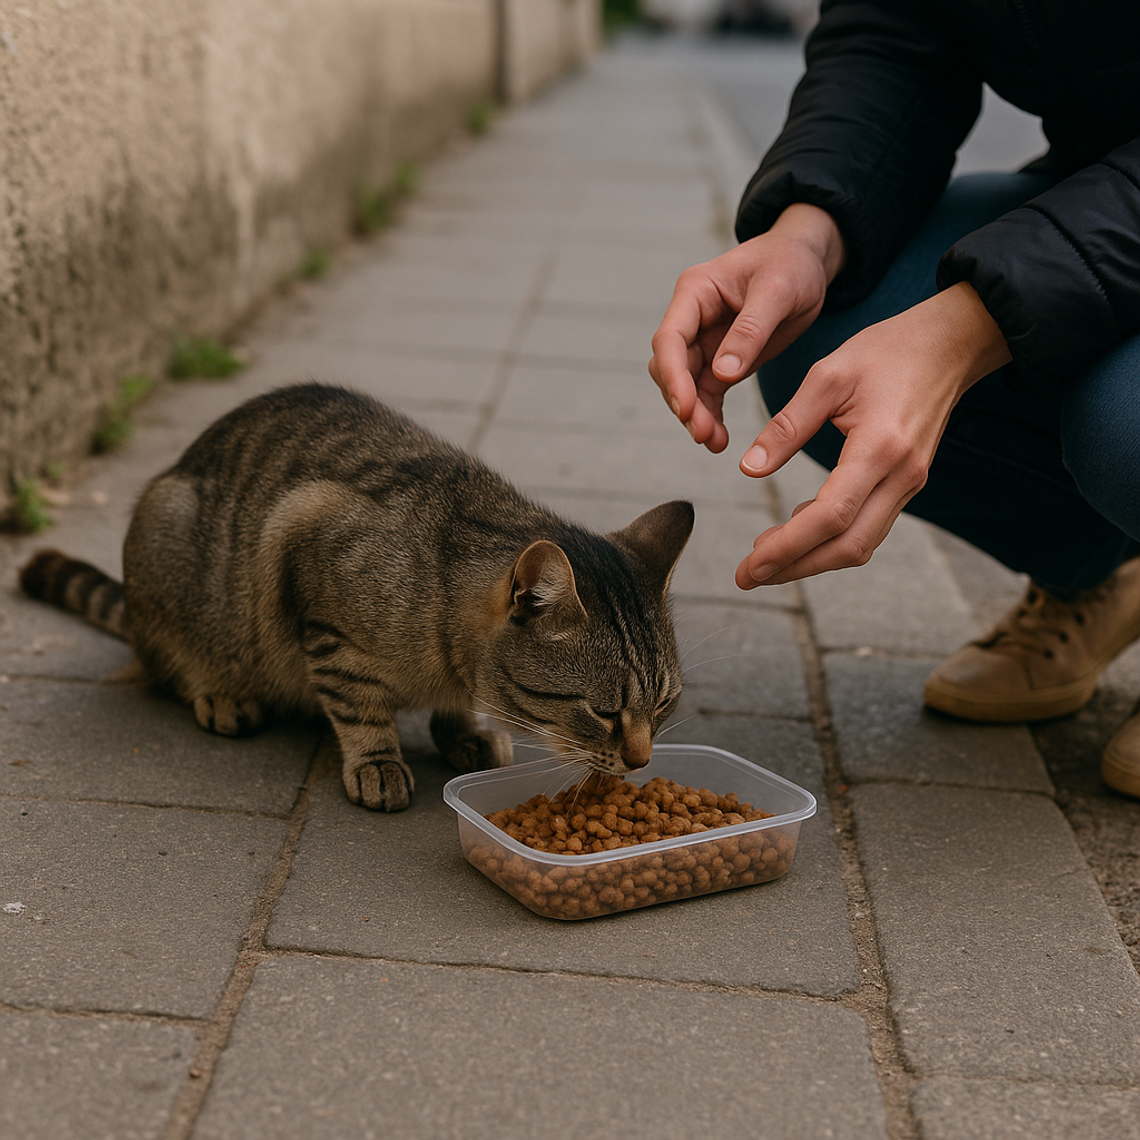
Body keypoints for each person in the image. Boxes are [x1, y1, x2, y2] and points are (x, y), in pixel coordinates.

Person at [648, 0, 1140, 798]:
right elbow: (892, 31)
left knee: (1125, 426)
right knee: (820, 341)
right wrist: (806, 235)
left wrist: (962, 332)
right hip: (1103, 192)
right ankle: (1104, 575)